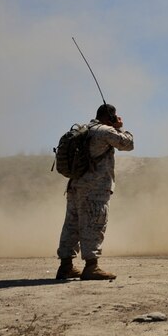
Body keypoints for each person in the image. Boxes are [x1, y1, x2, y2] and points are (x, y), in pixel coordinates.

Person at [55, 103, 135, 281]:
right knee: (94, 224)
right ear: (111, 117)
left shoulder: (86, 129)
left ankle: (65, 266)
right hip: (94, 188)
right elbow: (128, 144)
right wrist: (121, 127)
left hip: (75, 185)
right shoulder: (105, 131)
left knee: (72, 225)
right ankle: (92, 267)